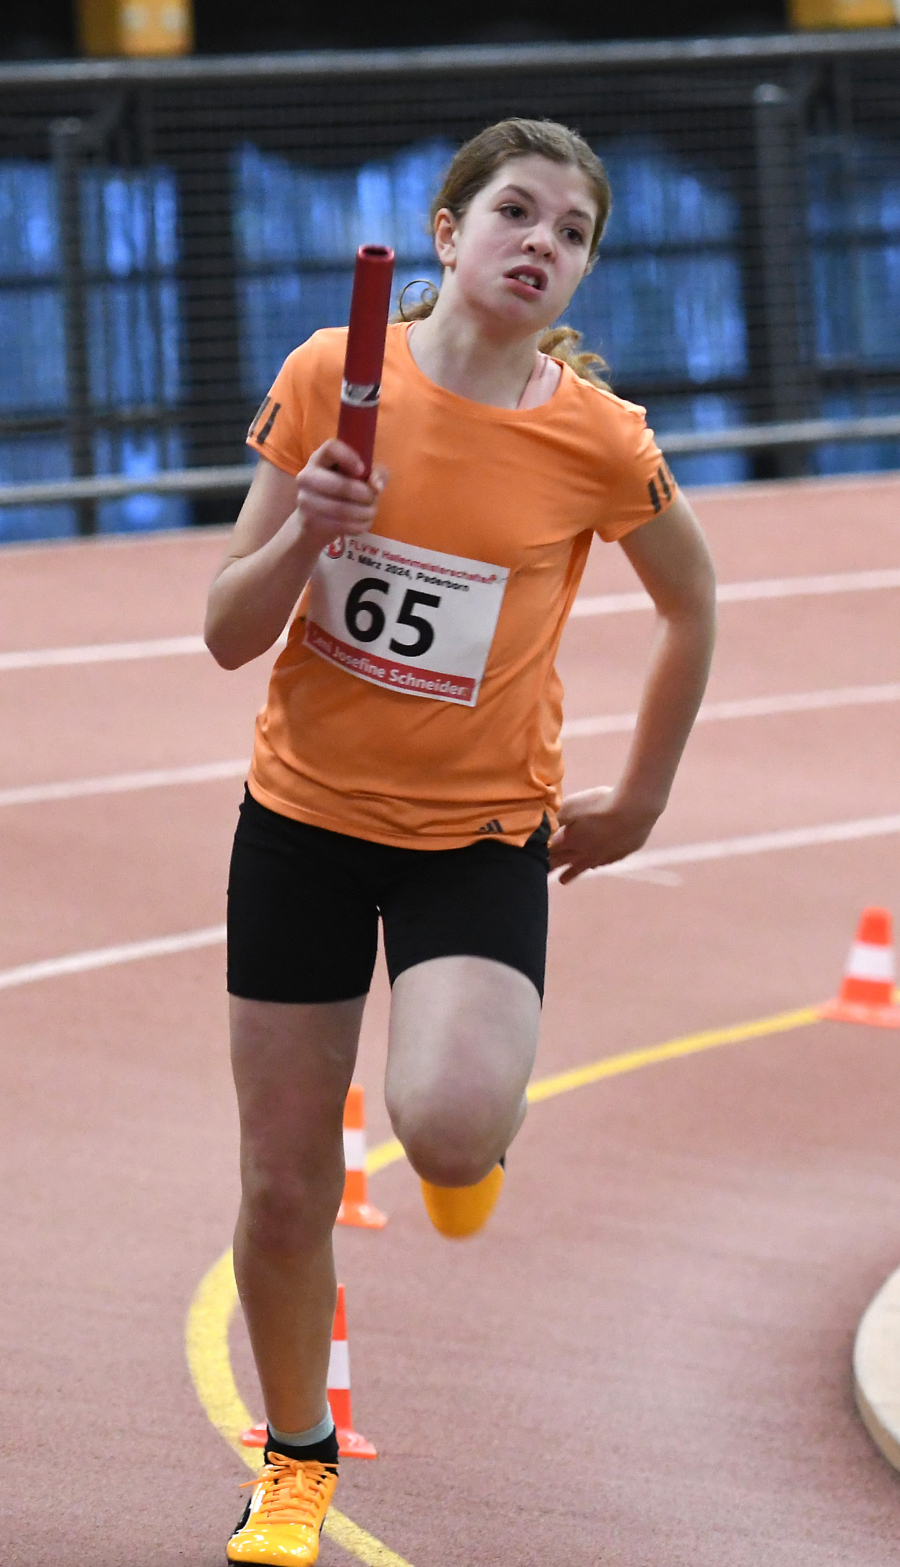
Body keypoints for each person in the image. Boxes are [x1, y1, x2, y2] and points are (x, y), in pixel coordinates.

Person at [205, 116, 716, 1566]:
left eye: (573, 231)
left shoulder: (597, 440)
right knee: (286, 1184)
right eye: (516, 211)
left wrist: (644, 797)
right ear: (446, 233)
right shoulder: (328, 378)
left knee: (443, 1125)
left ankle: (474, 1128)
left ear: (583, 274)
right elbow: (225, 635)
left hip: (478, 838)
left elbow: (695, 604)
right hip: (300, 825)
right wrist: (309, 530)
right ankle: (297, 1462)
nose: (541, 242)